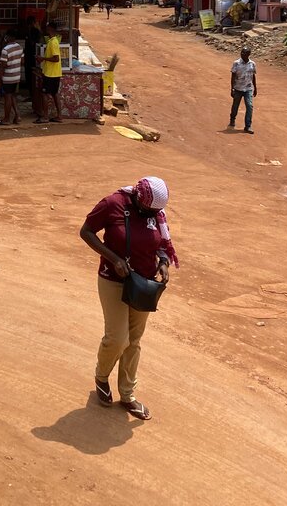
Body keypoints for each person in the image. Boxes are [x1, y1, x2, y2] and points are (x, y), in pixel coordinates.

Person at [79, 176, 179, 421]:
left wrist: (164, 262)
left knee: (133, 340)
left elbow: (161, 243)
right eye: (148, 210)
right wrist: (113, 258)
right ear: (139, 198)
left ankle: (127, 394)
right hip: (113, 279)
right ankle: (102, 377)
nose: (152, 214)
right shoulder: (113, 203)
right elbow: (87, 232)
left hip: (142, 284)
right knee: (118, 337)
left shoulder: (156, 212)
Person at [35, 20, 63, 124]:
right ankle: (59, 116)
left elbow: (56, 59)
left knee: (45, 94)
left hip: (51, 74)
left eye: (47, 28)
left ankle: (46, 116)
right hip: (54, 73)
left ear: (50, 29)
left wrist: (43, 58)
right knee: (54, 94)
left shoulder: (53, 43)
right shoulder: (52, 41)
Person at [0, 29, 24, 125]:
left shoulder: (5, 50)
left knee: (7, 97)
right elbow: (22, 62)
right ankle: (18, 116)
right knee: (12, 96)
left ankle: (6, 119)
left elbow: (3, 66)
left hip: (8, 77)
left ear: (8, 37)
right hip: (16, 76)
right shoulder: (20, 47)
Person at [229, 45, 257, 134]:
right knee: (235, 106)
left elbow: (253, 76)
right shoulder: (236, 63)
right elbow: (233, 76)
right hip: (238, 88)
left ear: (249, 54)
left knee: (249, 106)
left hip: (248, 88)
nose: (242, 54)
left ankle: (248, 126)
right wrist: (232, 88)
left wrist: (255, 88)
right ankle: (232, 118)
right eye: (241, 52)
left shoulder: (252, 64)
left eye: (244, 53)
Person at [23, 15, 41, 93]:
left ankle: (32, 93)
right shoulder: (27, 31)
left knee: (31, 75)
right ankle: (30, 92)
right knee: (28, 74)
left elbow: (32, 43)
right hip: (27, 56)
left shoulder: (35, 31)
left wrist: (29, 33)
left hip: (33, 56)